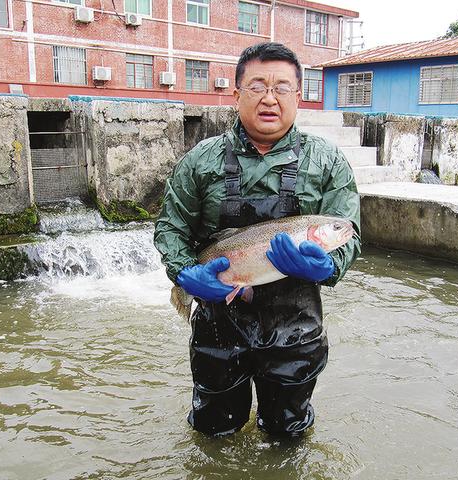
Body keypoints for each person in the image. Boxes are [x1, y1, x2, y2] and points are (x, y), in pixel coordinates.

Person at [154, 42, 361, 437]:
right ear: (236, 94)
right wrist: (186, 275)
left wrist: (329, 264)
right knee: (214, 431)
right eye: (257, 86)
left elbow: (349, 232)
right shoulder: (200, 161)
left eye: (282, 88)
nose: (270, 98)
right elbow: (171, 228)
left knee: (288, 434)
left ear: (298, 96)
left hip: (296, 329)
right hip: (218, 324)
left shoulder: (328, 161)